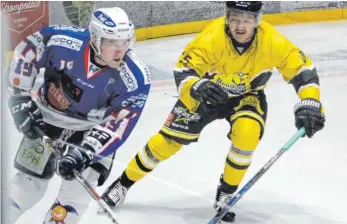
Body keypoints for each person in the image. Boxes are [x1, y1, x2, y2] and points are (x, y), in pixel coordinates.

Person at [100, 1, 325, 223]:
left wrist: (311, 102)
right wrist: (196, 87)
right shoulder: (212, 37)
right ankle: (122, 183)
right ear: (227, 17)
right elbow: (184, 70)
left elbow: (303, 70)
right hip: (206, 92)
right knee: (166, 142)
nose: (240, 25)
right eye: (235, 18)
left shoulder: (272, 41)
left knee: (247, 134)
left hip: (248, 96)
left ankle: (226, 193)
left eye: (247, 20)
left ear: (257, 21)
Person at [6, 7, 150, 224]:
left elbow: (118, 124)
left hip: (92, 132)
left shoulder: (136, 77)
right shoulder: (62, 41)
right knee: (23, 190)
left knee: (71, 203)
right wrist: (19, 98)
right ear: (94, 38)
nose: (119, 50)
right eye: (111, 43)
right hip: (48, 119)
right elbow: (26, 54)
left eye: (124, 42)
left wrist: (86, 152)